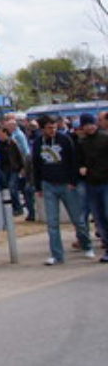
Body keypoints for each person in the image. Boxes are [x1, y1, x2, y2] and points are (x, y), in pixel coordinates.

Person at [33, 115, 94, 265]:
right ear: (42, 129)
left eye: (54, 127)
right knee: (52, 222)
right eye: (49, 127)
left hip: (66, 183)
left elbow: (73, 160)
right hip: (48, 184)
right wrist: (38, 186)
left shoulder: (65, 140)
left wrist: (73, 181)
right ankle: (57, 254)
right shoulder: (38, 143)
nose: (52, 130)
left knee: (77, 219)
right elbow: (36, 164)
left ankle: (86, 244)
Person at [75, 112, 108, 262]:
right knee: (99, 218)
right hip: (91, 184)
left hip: (105, 182)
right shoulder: (82, 143)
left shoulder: (105, 139)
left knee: (106, 215)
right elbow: (79, 161)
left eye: (91, 123)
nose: (89, 127)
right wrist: (81, 167)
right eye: (86, 125)